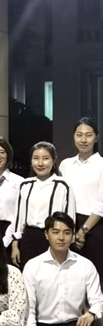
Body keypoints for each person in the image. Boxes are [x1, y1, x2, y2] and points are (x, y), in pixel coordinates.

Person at [24, 212, 103, 326]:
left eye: (67, 233)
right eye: (56, 232)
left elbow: (98, 301)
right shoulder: (33, 266)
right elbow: (28, 309)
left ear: (73, 235)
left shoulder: (85, 265)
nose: (61, 238)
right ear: (47, 234)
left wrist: (91, 314)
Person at [8, 142, 75, 269]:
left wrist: (67, 241)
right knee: (28, 274)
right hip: (28, 238)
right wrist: (15, 244)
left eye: (45, 158)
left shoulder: (63, 185)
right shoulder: (25, 185)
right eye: (36, 158)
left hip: (53, 237)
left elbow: (69, 218)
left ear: (53, 161)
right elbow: (18, 217)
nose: (40, 163)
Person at [59, 117, 103, 282]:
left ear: (96, 138)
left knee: (96, 276)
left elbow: (102, 203)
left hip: (95, 226)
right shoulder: (65, 165)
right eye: (79, 135)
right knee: (71, 277)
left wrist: (83, 230)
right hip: (69, 225)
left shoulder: (101, 165)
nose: (83, 140)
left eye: (88, 135)